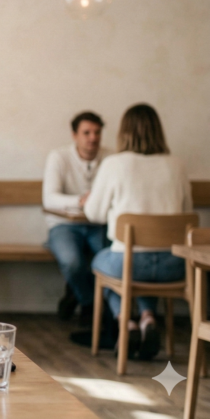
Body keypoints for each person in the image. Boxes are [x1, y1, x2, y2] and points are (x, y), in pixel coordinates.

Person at [85, 103, 193, 361]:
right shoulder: (177, 165)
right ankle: (147, 318)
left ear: (124, 131)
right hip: (175, 265)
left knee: (103, 261)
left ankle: (126, 322)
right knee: (139, 264)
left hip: (130, 264)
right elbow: (187, 213)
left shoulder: (114, 164)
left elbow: (94, 214)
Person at [43, 111, 109, 325]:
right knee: (72, 261)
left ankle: (76, 294)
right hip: (63, 225)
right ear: (74, 135)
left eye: (97, 132)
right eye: (87, 132)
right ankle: (89, 304)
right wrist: (81, 200)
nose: (93, 138)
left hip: (99, 224)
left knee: (106, 259)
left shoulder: (111, 159)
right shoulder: (58, 157)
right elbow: (49, 199)